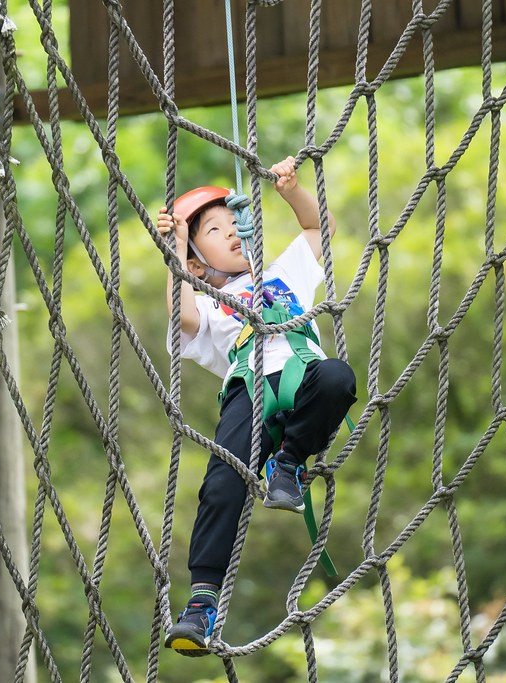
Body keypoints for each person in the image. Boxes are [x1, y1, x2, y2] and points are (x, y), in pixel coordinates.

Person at [156, 156, 357, 656]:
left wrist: (291, 191)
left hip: (303, 378)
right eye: (213, 229)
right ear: (197, 263)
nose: (230, 231)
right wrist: (175, 249)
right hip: (250, 388)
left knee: (339, 377)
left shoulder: (281, 272)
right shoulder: (206, 298)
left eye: (234, 221)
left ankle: (288, 462)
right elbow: (182, 317)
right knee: (221, 484)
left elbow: (320, 228)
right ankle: (202, 601)